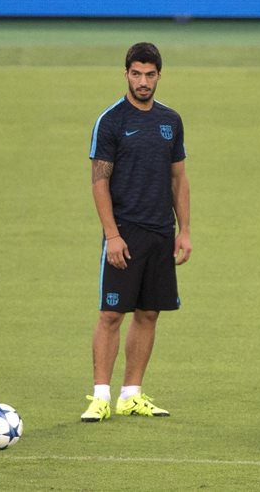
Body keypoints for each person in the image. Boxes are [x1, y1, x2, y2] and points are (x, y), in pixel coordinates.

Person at [81, 42, 192, 422]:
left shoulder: (171, 121)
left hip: (161, 233)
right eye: (136, 74)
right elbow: (99, 182)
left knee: (148, 313)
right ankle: (99, 396)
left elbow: (179, 178)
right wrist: (112, 235)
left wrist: (185, 230)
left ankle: (131, 394)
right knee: (111, 313)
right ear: (126, 74)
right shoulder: (111, 121)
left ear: (159, 75)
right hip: (125, 232)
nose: (143, 81)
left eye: (150, 74)